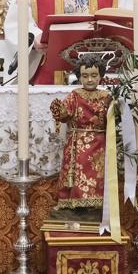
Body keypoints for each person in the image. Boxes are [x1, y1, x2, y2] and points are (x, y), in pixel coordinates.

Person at [50, 57, 114, 225]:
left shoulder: (107, 97)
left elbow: (113, 118)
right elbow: (65, 114)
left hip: (99, 144)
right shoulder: (75, 95)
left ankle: (95, 207)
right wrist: (60, 109)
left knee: (96, 175)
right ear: (79, 76)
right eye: (85, 76)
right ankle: (72, 204)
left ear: (101, 76)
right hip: (77, 143)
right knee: (76, 174)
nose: (90, 79)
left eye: (94, 75)